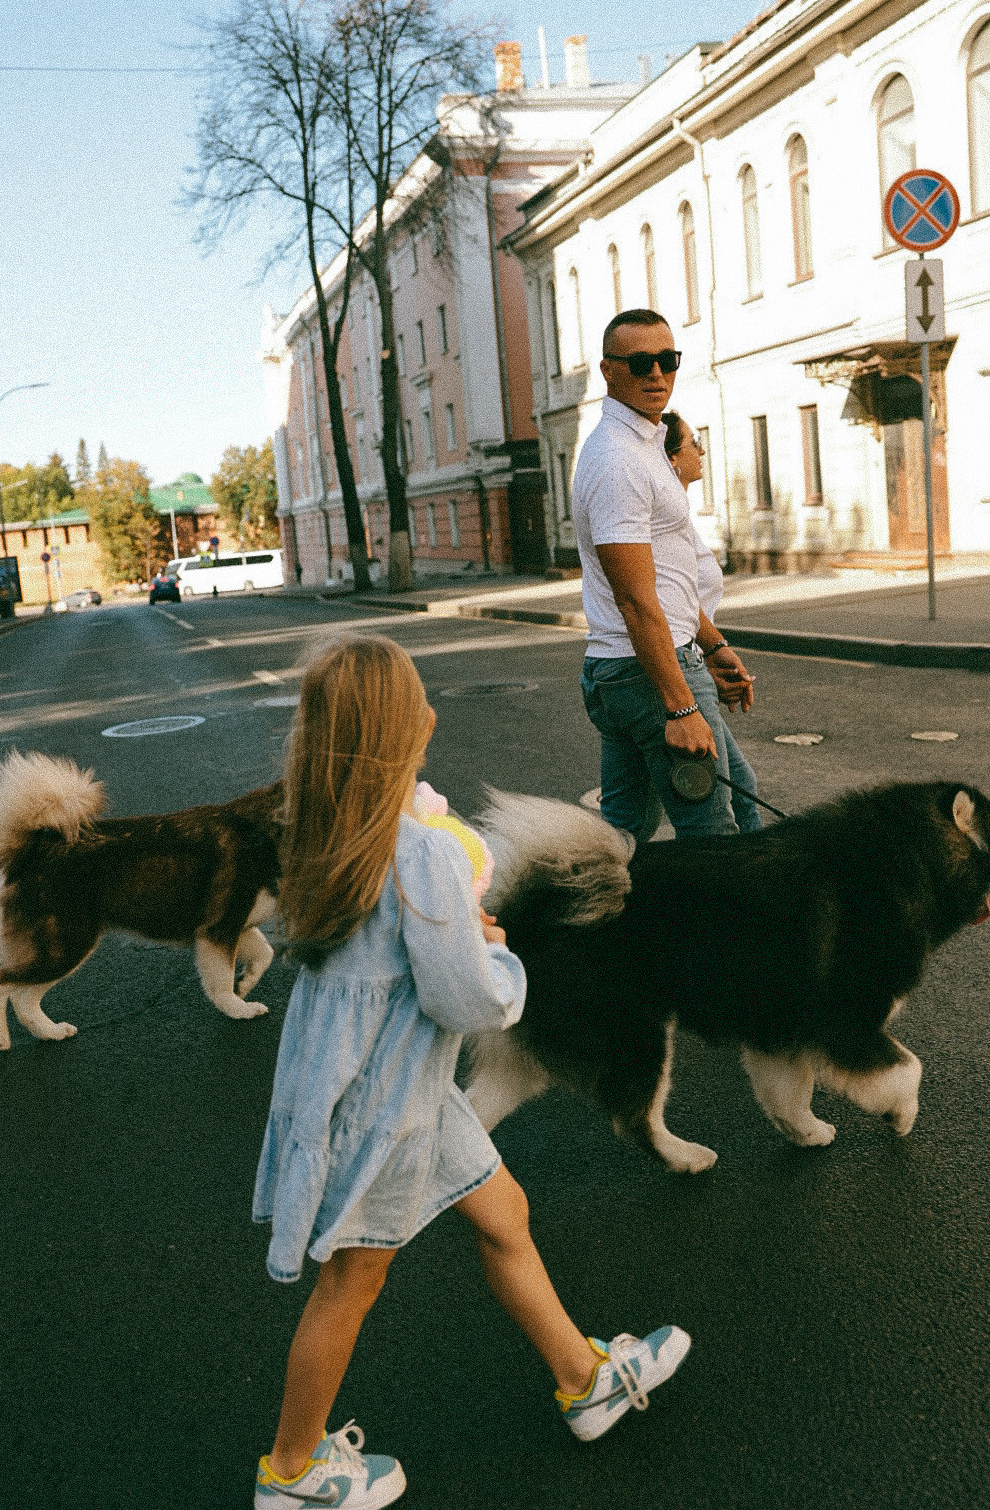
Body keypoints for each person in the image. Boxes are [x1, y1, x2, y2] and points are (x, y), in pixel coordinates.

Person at [252, 635, 691, 1510]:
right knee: (353, 1283)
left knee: (505, 1214)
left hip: (380, 1084)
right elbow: (467, 1001)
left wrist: (458, 932)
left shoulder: (324, 835)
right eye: (418, 706)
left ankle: (583, 1378)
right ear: (392, 737)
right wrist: (496, 953)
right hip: (385, 1107)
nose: (433, 716)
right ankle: (291, 1473)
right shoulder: (419, 857)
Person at [571, 307, 754, 842]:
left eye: (667, 360)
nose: (656, 374)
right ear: (609, 370)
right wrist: (679, 703)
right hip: (647, 674)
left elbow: (668, 576)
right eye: (640, 362)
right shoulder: (619, 459)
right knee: (716, 837)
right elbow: (635, 600)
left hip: (629, 671)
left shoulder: (645, 444)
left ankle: (599, 925)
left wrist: (714, 645)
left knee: (623, 837)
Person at [662, 412, 761, 834]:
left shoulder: (679, 514)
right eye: (692, 443)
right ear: (671, 460)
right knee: (724, 806)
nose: (701, 451)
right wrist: (700, 670)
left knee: (631, 813)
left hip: (689, 666)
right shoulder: (665, 520)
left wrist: (711, 659)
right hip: (677, 671)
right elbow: (672, 605)